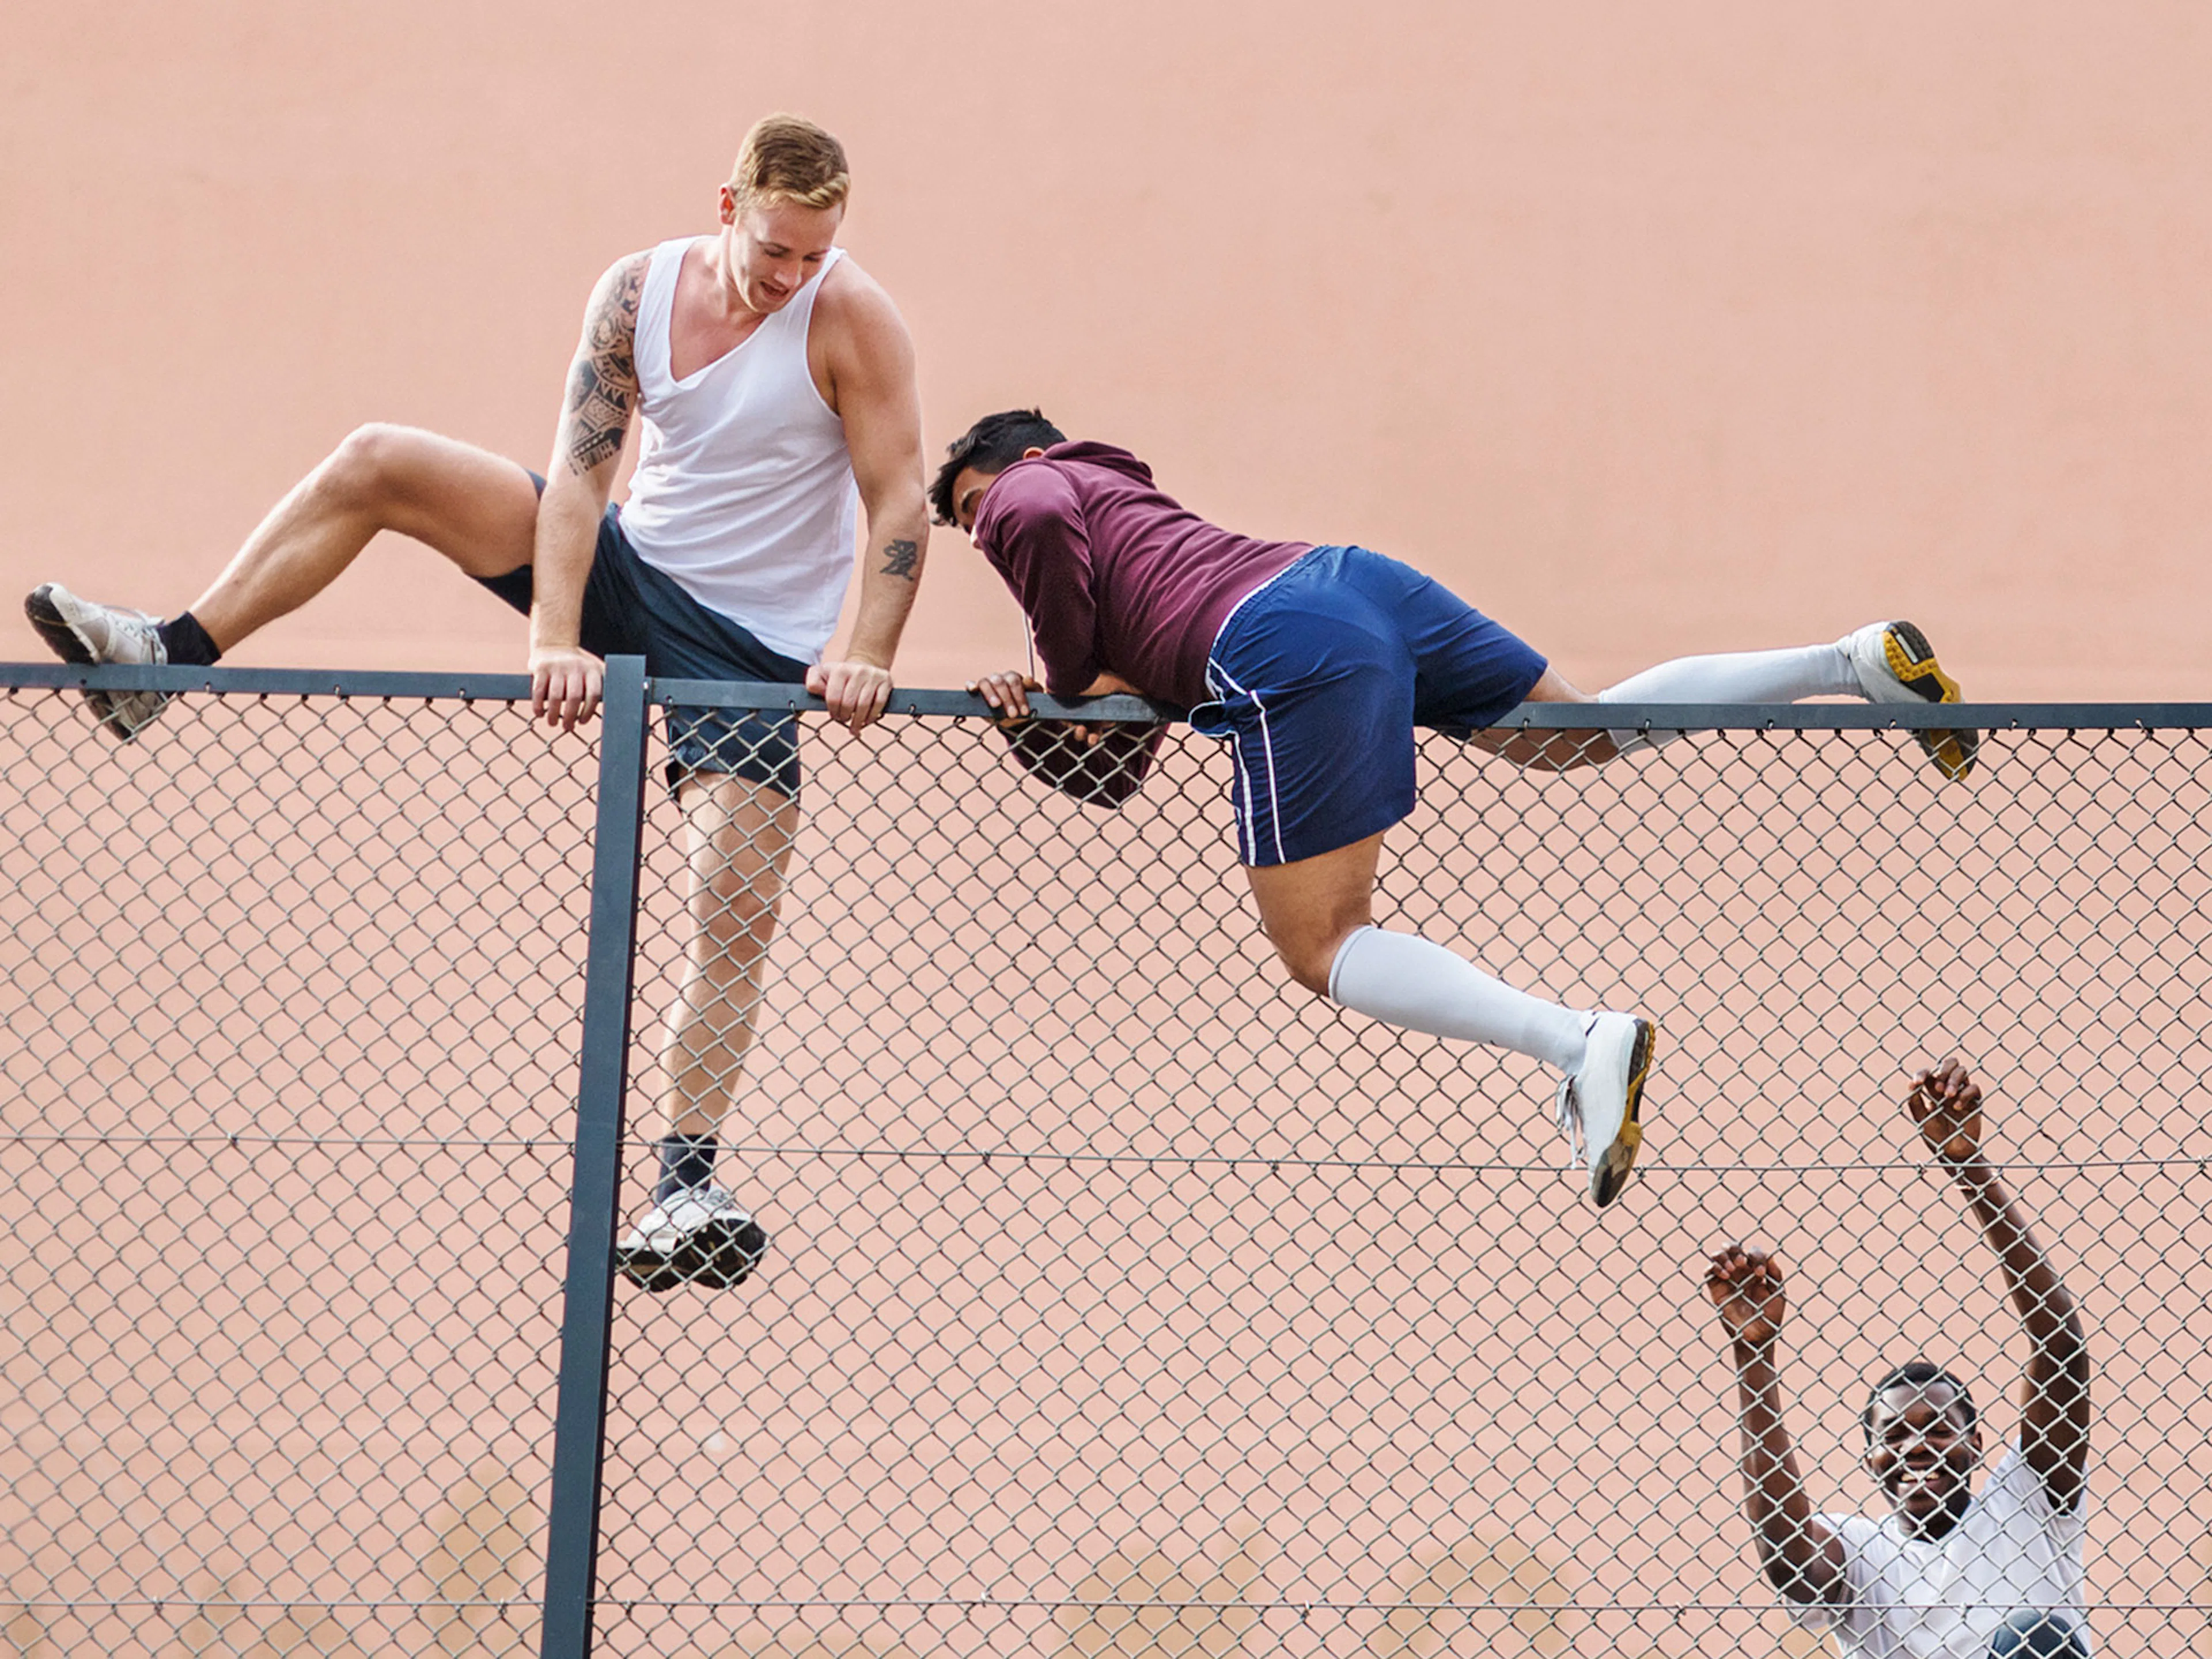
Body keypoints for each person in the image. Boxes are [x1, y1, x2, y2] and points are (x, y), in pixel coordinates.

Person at [24, 115, 931, 1292]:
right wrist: (558, 636)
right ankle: (165, 659)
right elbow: (581, 468)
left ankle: (683, 1184)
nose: (789, 276)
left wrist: (866, 650)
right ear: (728, 206)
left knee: (735, 903)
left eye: (813, 256)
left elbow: (899, 500)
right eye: (774, 250)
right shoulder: (637, 294)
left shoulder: (852, 319)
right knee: (377, 459)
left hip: (754, 650)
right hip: (629, 570)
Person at [937, 409, 1975, 1206]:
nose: (978, 534)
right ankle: (1851, 660)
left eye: (968, 507)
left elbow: (1028, 520)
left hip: (1275, 644)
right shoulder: (1129, 528)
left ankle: (1580, 1044)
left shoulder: (1034, 502)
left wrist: (1061, 672)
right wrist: (1037, 719)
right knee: (1580, 734)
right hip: (1350, 580)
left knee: (1323, 945)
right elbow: (1113, 776)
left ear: (1020, 464)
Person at [1704, 1059, 2092, 1657]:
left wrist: (1969, 1167)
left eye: (1939, 1428)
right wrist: (1754, 1356)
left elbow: (2061, 1346)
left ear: (1977, 1443)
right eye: (1898, 1433)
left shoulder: (2027, 1496)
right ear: (1869, 1456)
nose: (1917, 1446)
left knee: (2034, 1639)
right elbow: (1789, 1560)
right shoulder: (1863, 1553)